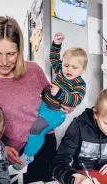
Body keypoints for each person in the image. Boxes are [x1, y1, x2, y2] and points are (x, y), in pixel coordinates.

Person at [0, 16, 73, 183]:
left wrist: (65, 103)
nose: (4, 62)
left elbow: (51, 98)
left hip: (42, 147)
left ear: (20, 50)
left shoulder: (34, 70)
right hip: (0, 152)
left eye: (11, 54)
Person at [14, 32, 87, 169]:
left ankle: (28, 155)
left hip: (55, 113)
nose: (68, 69)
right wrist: (57, 44)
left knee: (37, 128)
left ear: (83, 69)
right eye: (66, 65)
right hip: (44, 105)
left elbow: (75, 100)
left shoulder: (79, 84)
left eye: (74, 67)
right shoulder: (60, 72)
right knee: (28, 121)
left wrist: (59, 93)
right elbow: (54, 58)